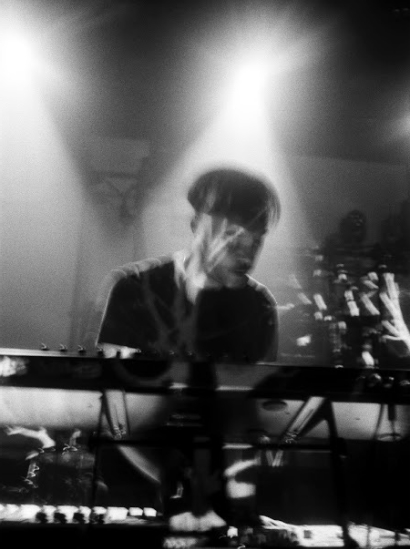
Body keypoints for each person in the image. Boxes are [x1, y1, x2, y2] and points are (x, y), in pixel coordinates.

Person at [88, 166, 282, 531]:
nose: (247, 255)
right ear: (197, 225)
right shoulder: (134, 289)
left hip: (219, 497)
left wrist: (240, 507)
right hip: (130, 489)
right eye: (234, 237)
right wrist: (172, 480)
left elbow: (253, 417)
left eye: (256, 241)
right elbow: (113, 408)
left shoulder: (259, 308)